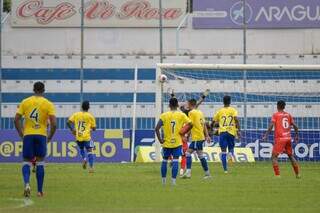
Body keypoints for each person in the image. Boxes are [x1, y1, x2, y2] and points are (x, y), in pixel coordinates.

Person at [14, 82, 57, 197]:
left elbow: (16, 119)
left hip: (28, 135)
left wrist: (21, 134)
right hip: (41, 135)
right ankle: (39, 191)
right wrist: (49, 137)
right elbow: (54, 124)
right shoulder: (48, 104)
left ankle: (27, 184)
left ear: (33, 89)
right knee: (40, 162)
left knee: (26, 161)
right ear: (43, 90)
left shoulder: (25, 102)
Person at [155, 97, 192, 186]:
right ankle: (173, 182)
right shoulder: (181, 115)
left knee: (164, 161)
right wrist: (184, 133)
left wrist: (160, 140)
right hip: (177, 142)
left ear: (169, 105)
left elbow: (156, 128)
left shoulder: (164, 115)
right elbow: (191, 124)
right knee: (175, 161)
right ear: (177, 105)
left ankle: (163, 182)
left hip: (166, 143)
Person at [262, 100, 300, 178]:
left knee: (274, 157)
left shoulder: (275, 115)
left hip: (280, 139)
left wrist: (266, 135)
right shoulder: (288, 115)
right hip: (288, 138)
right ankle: (298, 174)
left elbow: (271, 126)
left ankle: (277, 176)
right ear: (284, 106)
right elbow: (296, 126)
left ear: (277, 106)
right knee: (291, 156)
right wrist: (296, 135)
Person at [183, 99, 211, 179]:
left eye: (187, 103)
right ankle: (207, 174)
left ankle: (188, 173)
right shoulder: (200, 112)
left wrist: (186, 135)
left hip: (197, 137)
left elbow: (190, 125)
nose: (187, 104)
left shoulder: (191, 113)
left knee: (188, 153)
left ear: (190, 104)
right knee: (200, 155)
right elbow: (204, 124)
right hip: (200, 137)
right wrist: (207, 135)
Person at [212, 95, 240, 173]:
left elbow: (214, 121)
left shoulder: (219, 111)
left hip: (223, 132)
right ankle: (230, 154)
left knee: (223, 151)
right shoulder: (233, 110)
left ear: (223, 102)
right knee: (231, 148)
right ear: (230, 101)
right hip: (231, 132)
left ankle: (225, 170)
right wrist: (239, 130)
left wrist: (211, 127)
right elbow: (236, 119)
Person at [67, 101, 96, 173]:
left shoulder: (76, 114)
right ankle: (91, 167)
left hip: (78, 136)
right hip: (87, 137)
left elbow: (68, 122)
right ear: (88, 107)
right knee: (90, 151)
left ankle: (84, 159)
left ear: (81, 107)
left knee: (81, 149)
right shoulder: (90, 116)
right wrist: (91, 128)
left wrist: (72, 129)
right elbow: (94, 128)